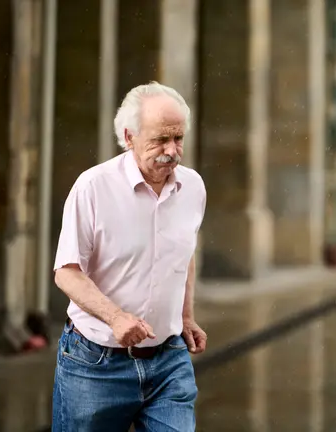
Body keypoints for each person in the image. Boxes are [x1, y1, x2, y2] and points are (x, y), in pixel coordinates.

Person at [52, 82, 207, 431]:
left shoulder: (193, 187)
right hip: (95, 363)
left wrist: (185, 317)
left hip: (169, 361)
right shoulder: (92, 187)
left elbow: (184, 253)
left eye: (178, 138)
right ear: (129, 136)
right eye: (160, 140)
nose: (172, 150)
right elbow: (66, 271)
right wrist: (116, 317)